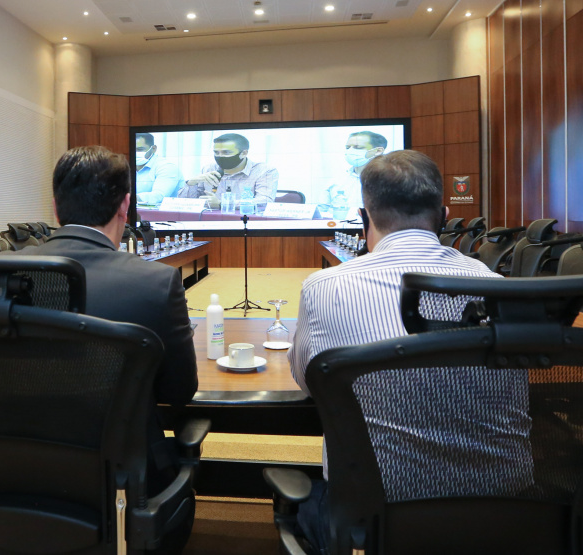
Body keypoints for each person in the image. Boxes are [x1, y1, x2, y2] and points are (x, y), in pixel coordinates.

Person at [288, 150, 532, 550]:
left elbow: (310, 381)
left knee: (308, 507)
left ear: (364, 214)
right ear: (444, 211)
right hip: (507, 507)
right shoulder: (492, 282)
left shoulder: (325, 286)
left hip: (377, 507)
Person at [15, 146, 198, 547]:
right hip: (121, 484)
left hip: (13, 475)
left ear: (55, 207)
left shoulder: (5, 272)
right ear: (125, 206)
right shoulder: (155, 283)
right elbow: (178, 391)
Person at [177, 132, 279, 210]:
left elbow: (264, 202)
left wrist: (222, 204)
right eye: (216, 152)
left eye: (226, 152)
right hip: (209, 223)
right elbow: (185, 204)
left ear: (244, 153)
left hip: (247, 224)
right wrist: (191, 183)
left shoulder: (264, 171)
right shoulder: (208, 169)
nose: (220, 156)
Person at [323, 130, 387, 216]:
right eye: (347, 147)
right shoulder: (336, 180)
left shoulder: (390, 179)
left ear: (377, 151)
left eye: (358, 147)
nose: (350, 151)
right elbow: (322, 212)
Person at [135, 132, 183, 204]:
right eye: (132, 149)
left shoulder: (167, 167)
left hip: (164, 214)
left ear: (153, 149)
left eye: (140, 149)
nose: (135, 152)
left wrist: (126, 199)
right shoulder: (126, 166)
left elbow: (159, 196)